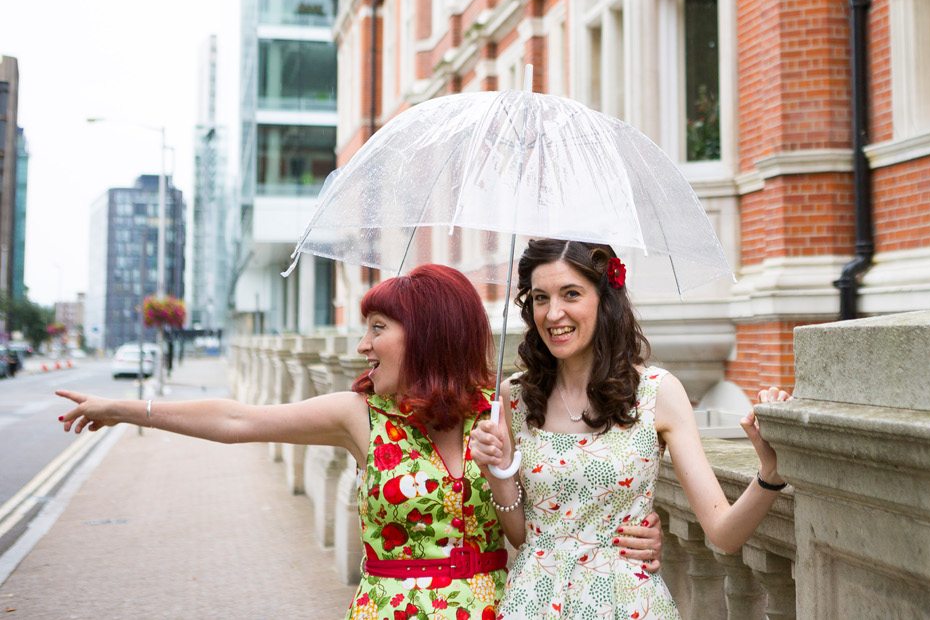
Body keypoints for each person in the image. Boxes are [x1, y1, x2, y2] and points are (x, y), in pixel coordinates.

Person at [56, 263, 663, 620]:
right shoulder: (360, 415)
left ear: (428, 336)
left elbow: (579, 487)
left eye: (378, 328)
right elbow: (239, 420)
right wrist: (127, 409)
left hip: (497, 610)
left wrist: (642, 528)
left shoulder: (508, 408)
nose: (363, 346)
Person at [470, 240, 792, 619]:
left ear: (604, 299)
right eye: (541, 298)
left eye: (571, 294)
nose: (554, 313)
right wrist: (497, 469)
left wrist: (770, 474)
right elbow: (522, 535)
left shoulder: (658, 393)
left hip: (626, 603)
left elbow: (724, 534)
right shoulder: (514, 398)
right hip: (535, 601)